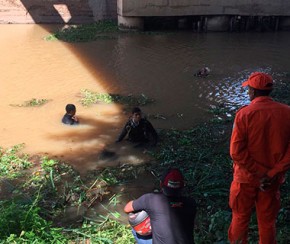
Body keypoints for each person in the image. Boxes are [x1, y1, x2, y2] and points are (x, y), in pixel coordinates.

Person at [228, 72, 290, 243]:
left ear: (253, 92)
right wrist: (270, 174)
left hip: (245, 179)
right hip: (272, 180)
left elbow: (236, 152)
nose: (247, 92)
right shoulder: (287, 112)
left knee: (240, 218)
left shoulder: (244, 114)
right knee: (267, 223)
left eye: (248, 89)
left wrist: (258, 173)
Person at [124, 168, 197, 244]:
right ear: (182, 186)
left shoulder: (151, 199)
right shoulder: (191, 203)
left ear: (161, 184)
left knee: (137, 224)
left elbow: (127, 208)